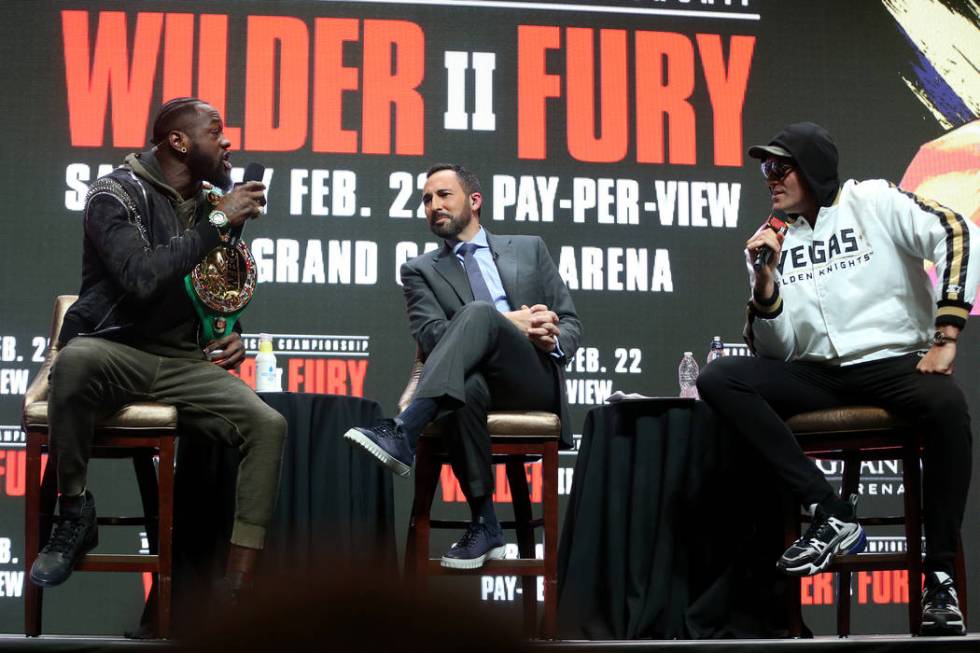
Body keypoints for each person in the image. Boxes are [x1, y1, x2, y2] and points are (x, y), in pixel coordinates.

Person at [697, 122, 978, 636]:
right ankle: (830, 511)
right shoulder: (772, 238)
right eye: (766, 169)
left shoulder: (872, 200)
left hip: (894, 362)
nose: (771, 179)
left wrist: (947, 332)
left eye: (780, 168)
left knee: (947, 405)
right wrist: (764, 285)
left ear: (814, 170)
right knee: (721, 378)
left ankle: (939, 577)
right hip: (818, 374)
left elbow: (958, 233)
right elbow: (774, 349)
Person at [29, 97, 287, 598]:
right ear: (179, 141)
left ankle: (237, 581)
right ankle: (75, 510)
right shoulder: (114, 194)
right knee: (75, 359)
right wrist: (215, 225)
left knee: (268, 424)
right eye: (216, 132)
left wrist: (228, 329)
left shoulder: (214, 202)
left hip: (183, 362)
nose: (227, 140)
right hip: (117, 350)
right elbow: (140, 277)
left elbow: (217, 286)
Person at [344, 163, 581, 569]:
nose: (433, 205)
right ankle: (485, 523)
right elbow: (433, 337)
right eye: (426, 199)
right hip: (469, 382)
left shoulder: (529, 248)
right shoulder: (419, 270)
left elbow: (571, 323)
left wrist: (551, 336)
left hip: (530, 377)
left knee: (479, 313)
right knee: (464, 386)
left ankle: (405, 429)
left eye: (443, 195)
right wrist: (510, 321)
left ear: (474, 201)